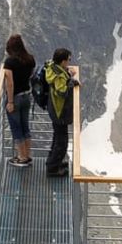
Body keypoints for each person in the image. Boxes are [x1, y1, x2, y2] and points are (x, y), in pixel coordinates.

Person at [45, 47, 79, 177]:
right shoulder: (59, 75)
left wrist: (69, 76)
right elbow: (62, 92)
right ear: (63, 61)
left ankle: (53, 162)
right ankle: (53, 169)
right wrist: (71, 82)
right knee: (62, 141)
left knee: (57, 137)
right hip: (59, 112)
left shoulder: (53, 68)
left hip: (54, 110)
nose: (69, 62)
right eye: (68, 60)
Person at [3, 34, 35, 167]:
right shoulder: (30, 59)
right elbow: (31, 75)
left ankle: (21, 158)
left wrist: (10, 101)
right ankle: (27, 155)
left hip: (15, 97)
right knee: (25, 126)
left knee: (16, 128)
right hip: (27, 95)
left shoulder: (9, 62)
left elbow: (9, 82)